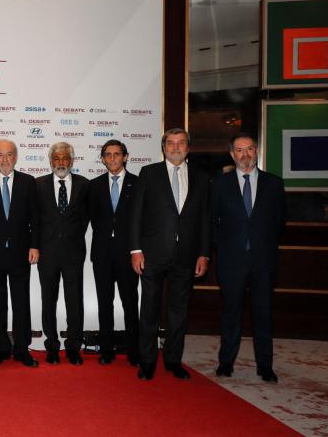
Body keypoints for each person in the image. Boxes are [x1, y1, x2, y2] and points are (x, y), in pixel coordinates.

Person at [130, 128, 210, 381]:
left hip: (186, 255)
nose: (176, 147)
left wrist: (204, 254)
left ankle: (173, 360)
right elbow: (136, 215)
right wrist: (135, 250)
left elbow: (205, 219)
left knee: (179, 311)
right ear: (163, 148)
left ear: (188, 148)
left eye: (181, 143)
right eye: (171, 143)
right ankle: (147, 361)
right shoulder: (149, 173)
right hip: (153, 254)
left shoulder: (201, 177)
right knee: (149, 310)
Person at [212, 132, 285, 383]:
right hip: (231, 261)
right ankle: (226, 363)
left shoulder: (274, 184)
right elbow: (213, 222)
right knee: (231, 312)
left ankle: (265, 366)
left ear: (257, 151)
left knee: (263, 313)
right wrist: (220, 250)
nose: (245, 155)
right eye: (240, 150)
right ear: (232, 154)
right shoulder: (220, 184)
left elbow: (279, 222)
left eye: (250, 149)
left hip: (263, 261)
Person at [0, 139, 40, 368]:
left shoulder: (28, 182)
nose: (4, 159)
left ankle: (21, 349)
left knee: (21, 302)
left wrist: (35, 245)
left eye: (8, 155)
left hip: (20, 253)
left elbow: (36, 218)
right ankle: (1, 348)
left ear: (15, 157)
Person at [35, 142, 89, 365]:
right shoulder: (38, 185)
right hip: (46, 253)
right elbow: (34, 220)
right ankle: (52, 346)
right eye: (56, 158)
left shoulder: (85, 185)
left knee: (74, 300)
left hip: (74, 252)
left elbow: (87, 217)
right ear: (50, 161)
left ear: (72, 160)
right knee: (48, 299)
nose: (60, 162)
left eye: (65, 158)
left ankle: (74, 346)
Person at [87, 139, 139, 366]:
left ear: (125, 157)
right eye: (108, 155)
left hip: (130, 254)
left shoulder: (139, 184)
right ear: (103, 159)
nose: (113, 158)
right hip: (102, 254)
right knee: (104, 303)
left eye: (117, 154)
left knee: (130, 303)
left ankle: (134, 350)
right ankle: (106, 350)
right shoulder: (94, 185)